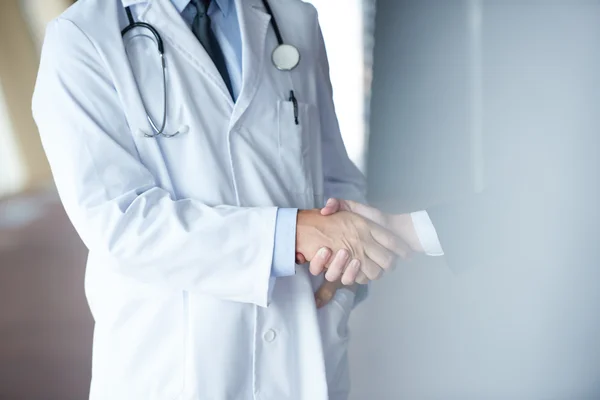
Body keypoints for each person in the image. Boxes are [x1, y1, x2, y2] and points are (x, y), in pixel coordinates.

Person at [32, 0, 413, 399]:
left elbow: (334, 170)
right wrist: (292, 234)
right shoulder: (81, 39)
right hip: (175, 362)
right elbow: (120, 222)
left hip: (302, 348)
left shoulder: (293, 18)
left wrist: (343, 264)